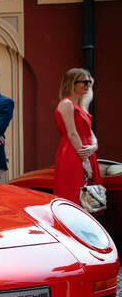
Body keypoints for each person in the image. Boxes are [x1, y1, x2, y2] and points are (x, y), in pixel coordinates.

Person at [54, 68, 100, 204]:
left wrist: (94, 147)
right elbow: (72, 133)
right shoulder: (66, 104)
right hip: (74, 153)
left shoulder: (80, 107)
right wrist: (85, 160)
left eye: (89, 82)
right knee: (73, 196)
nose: (88, 85)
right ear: (72, 83)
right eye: (84, 82)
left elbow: (91, 134)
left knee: (90, 201)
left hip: (86, 153)